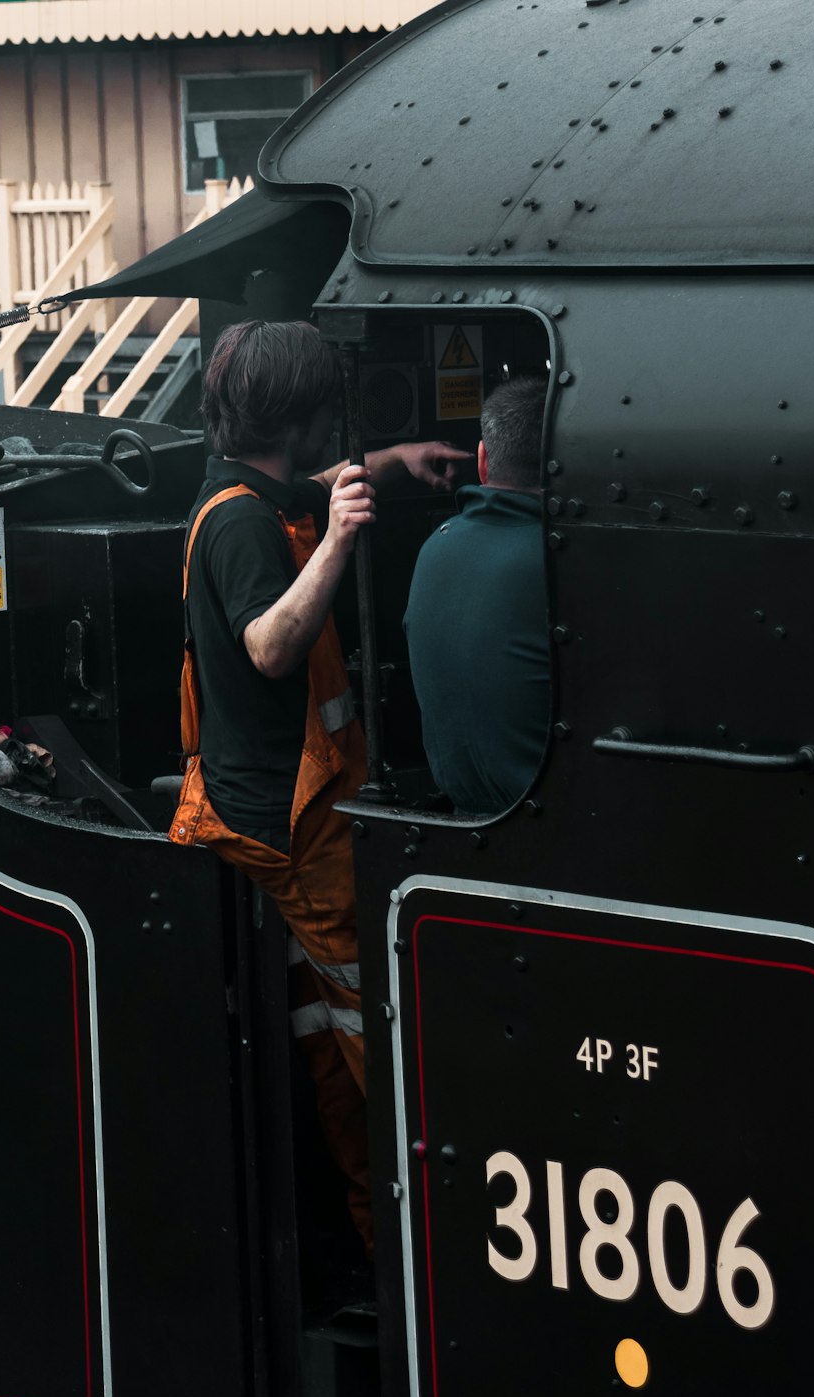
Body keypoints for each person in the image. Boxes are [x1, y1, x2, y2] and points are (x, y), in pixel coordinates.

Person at [170, 319, 470, 1254]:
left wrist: (391, 460)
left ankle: (364, 1222)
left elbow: (314, 483)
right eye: (327, 419)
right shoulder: (244, 527)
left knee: (327, 1024)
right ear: (294, 418)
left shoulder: (249, 485)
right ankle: (415, 1230)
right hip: (293, 820)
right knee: (373, 1015)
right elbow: (269, 645)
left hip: (293, 804)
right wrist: (340, 541)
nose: (334, 433)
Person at [404, 375, 551, 819]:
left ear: (483, 461)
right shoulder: (557, 562)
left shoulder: (435, 547)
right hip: (547, 818)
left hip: (465, 815)